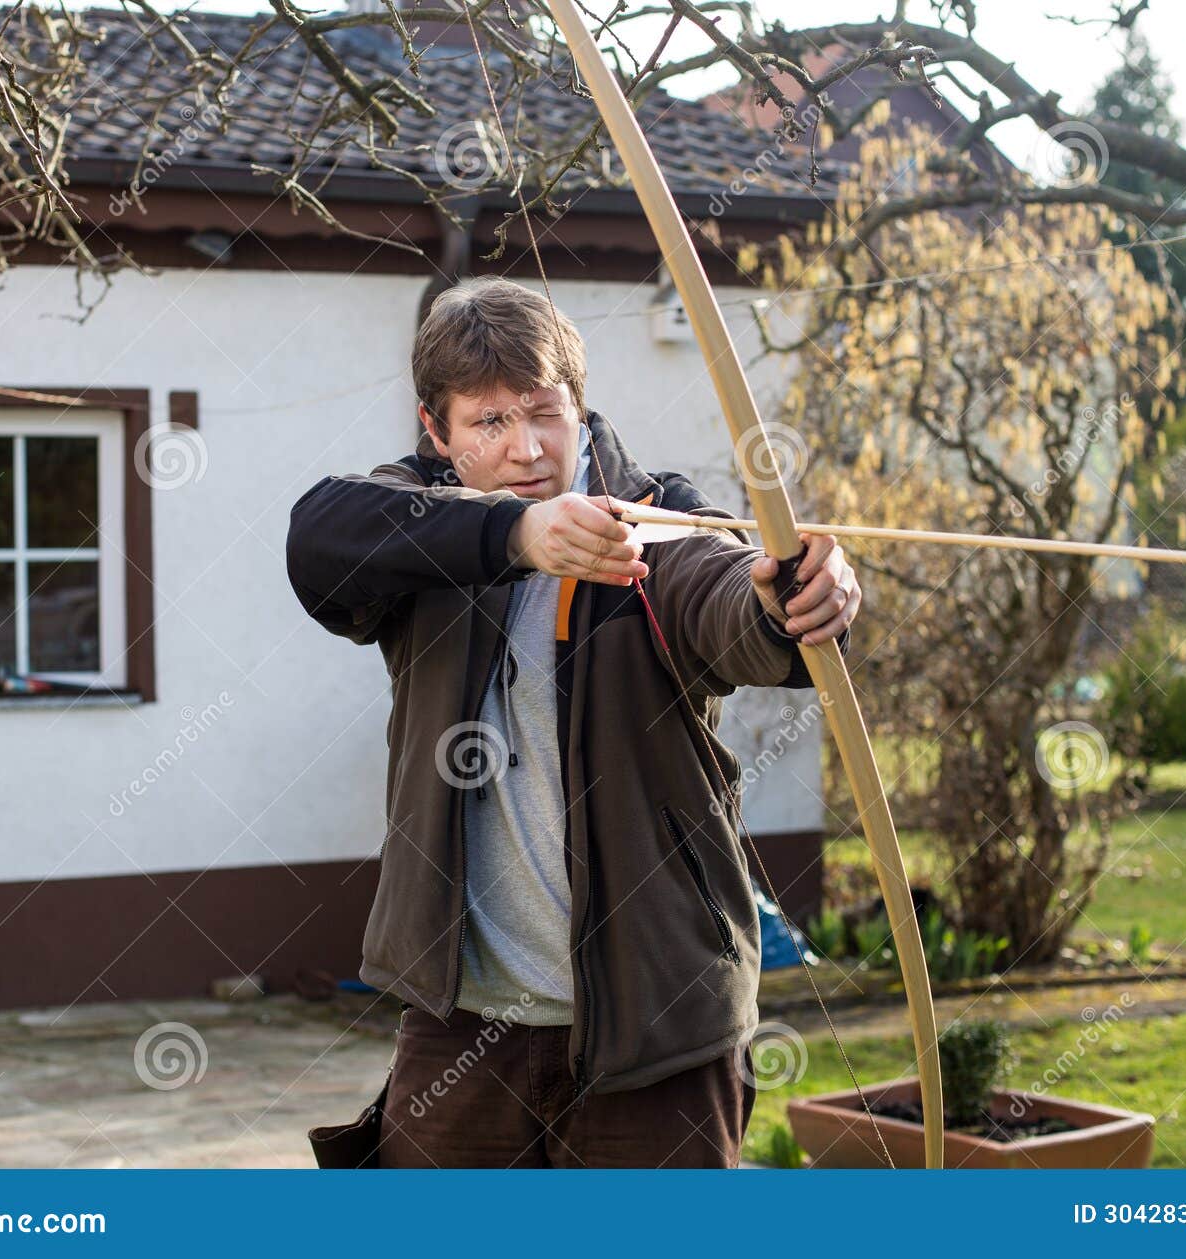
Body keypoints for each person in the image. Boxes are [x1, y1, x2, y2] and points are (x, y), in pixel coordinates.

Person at [284, 277, 860, 1167]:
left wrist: (794, 604)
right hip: (463, 1021)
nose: (525, 447)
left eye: (544, 412)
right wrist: (518, 537)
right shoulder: (423, 530)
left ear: (580, 410)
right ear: (437, 431)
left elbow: (724, 596)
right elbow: (319, 535)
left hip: (655, 1025)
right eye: (489, 422)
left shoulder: (655, 527)